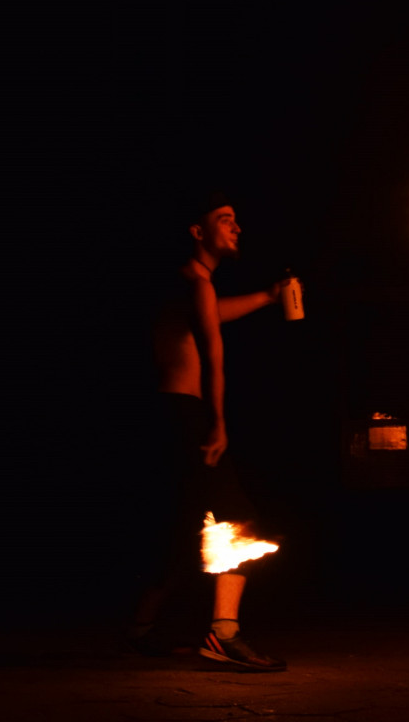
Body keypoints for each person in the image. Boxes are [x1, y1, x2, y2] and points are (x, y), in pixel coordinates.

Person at [127, 190, 286, 672]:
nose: (236, 227)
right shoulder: (195, 284)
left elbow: (212, 312)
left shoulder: (189, 284)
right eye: (225, 219)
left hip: (168, 414)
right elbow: (214, 358)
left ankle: (140, 629)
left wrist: (266, 297)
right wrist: (217, 424)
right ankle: (224, 633)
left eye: (237, 219)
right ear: (198, 232)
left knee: (181, 530)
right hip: (188, 416)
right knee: (240, 523)